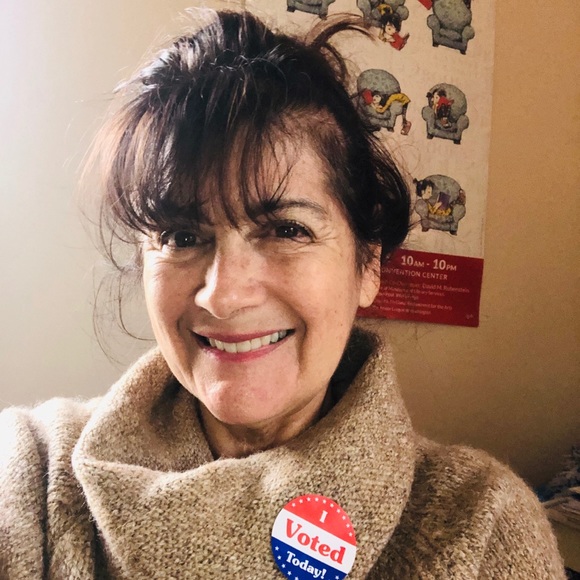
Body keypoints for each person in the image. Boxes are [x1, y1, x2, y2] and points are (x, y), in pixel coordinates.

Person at [0, 9, 565, 579]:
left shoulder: (480, 527)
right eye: (182, 237)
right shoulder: (34, 476)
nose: (223, 296)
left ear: (367, 264)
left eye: (287, 230)